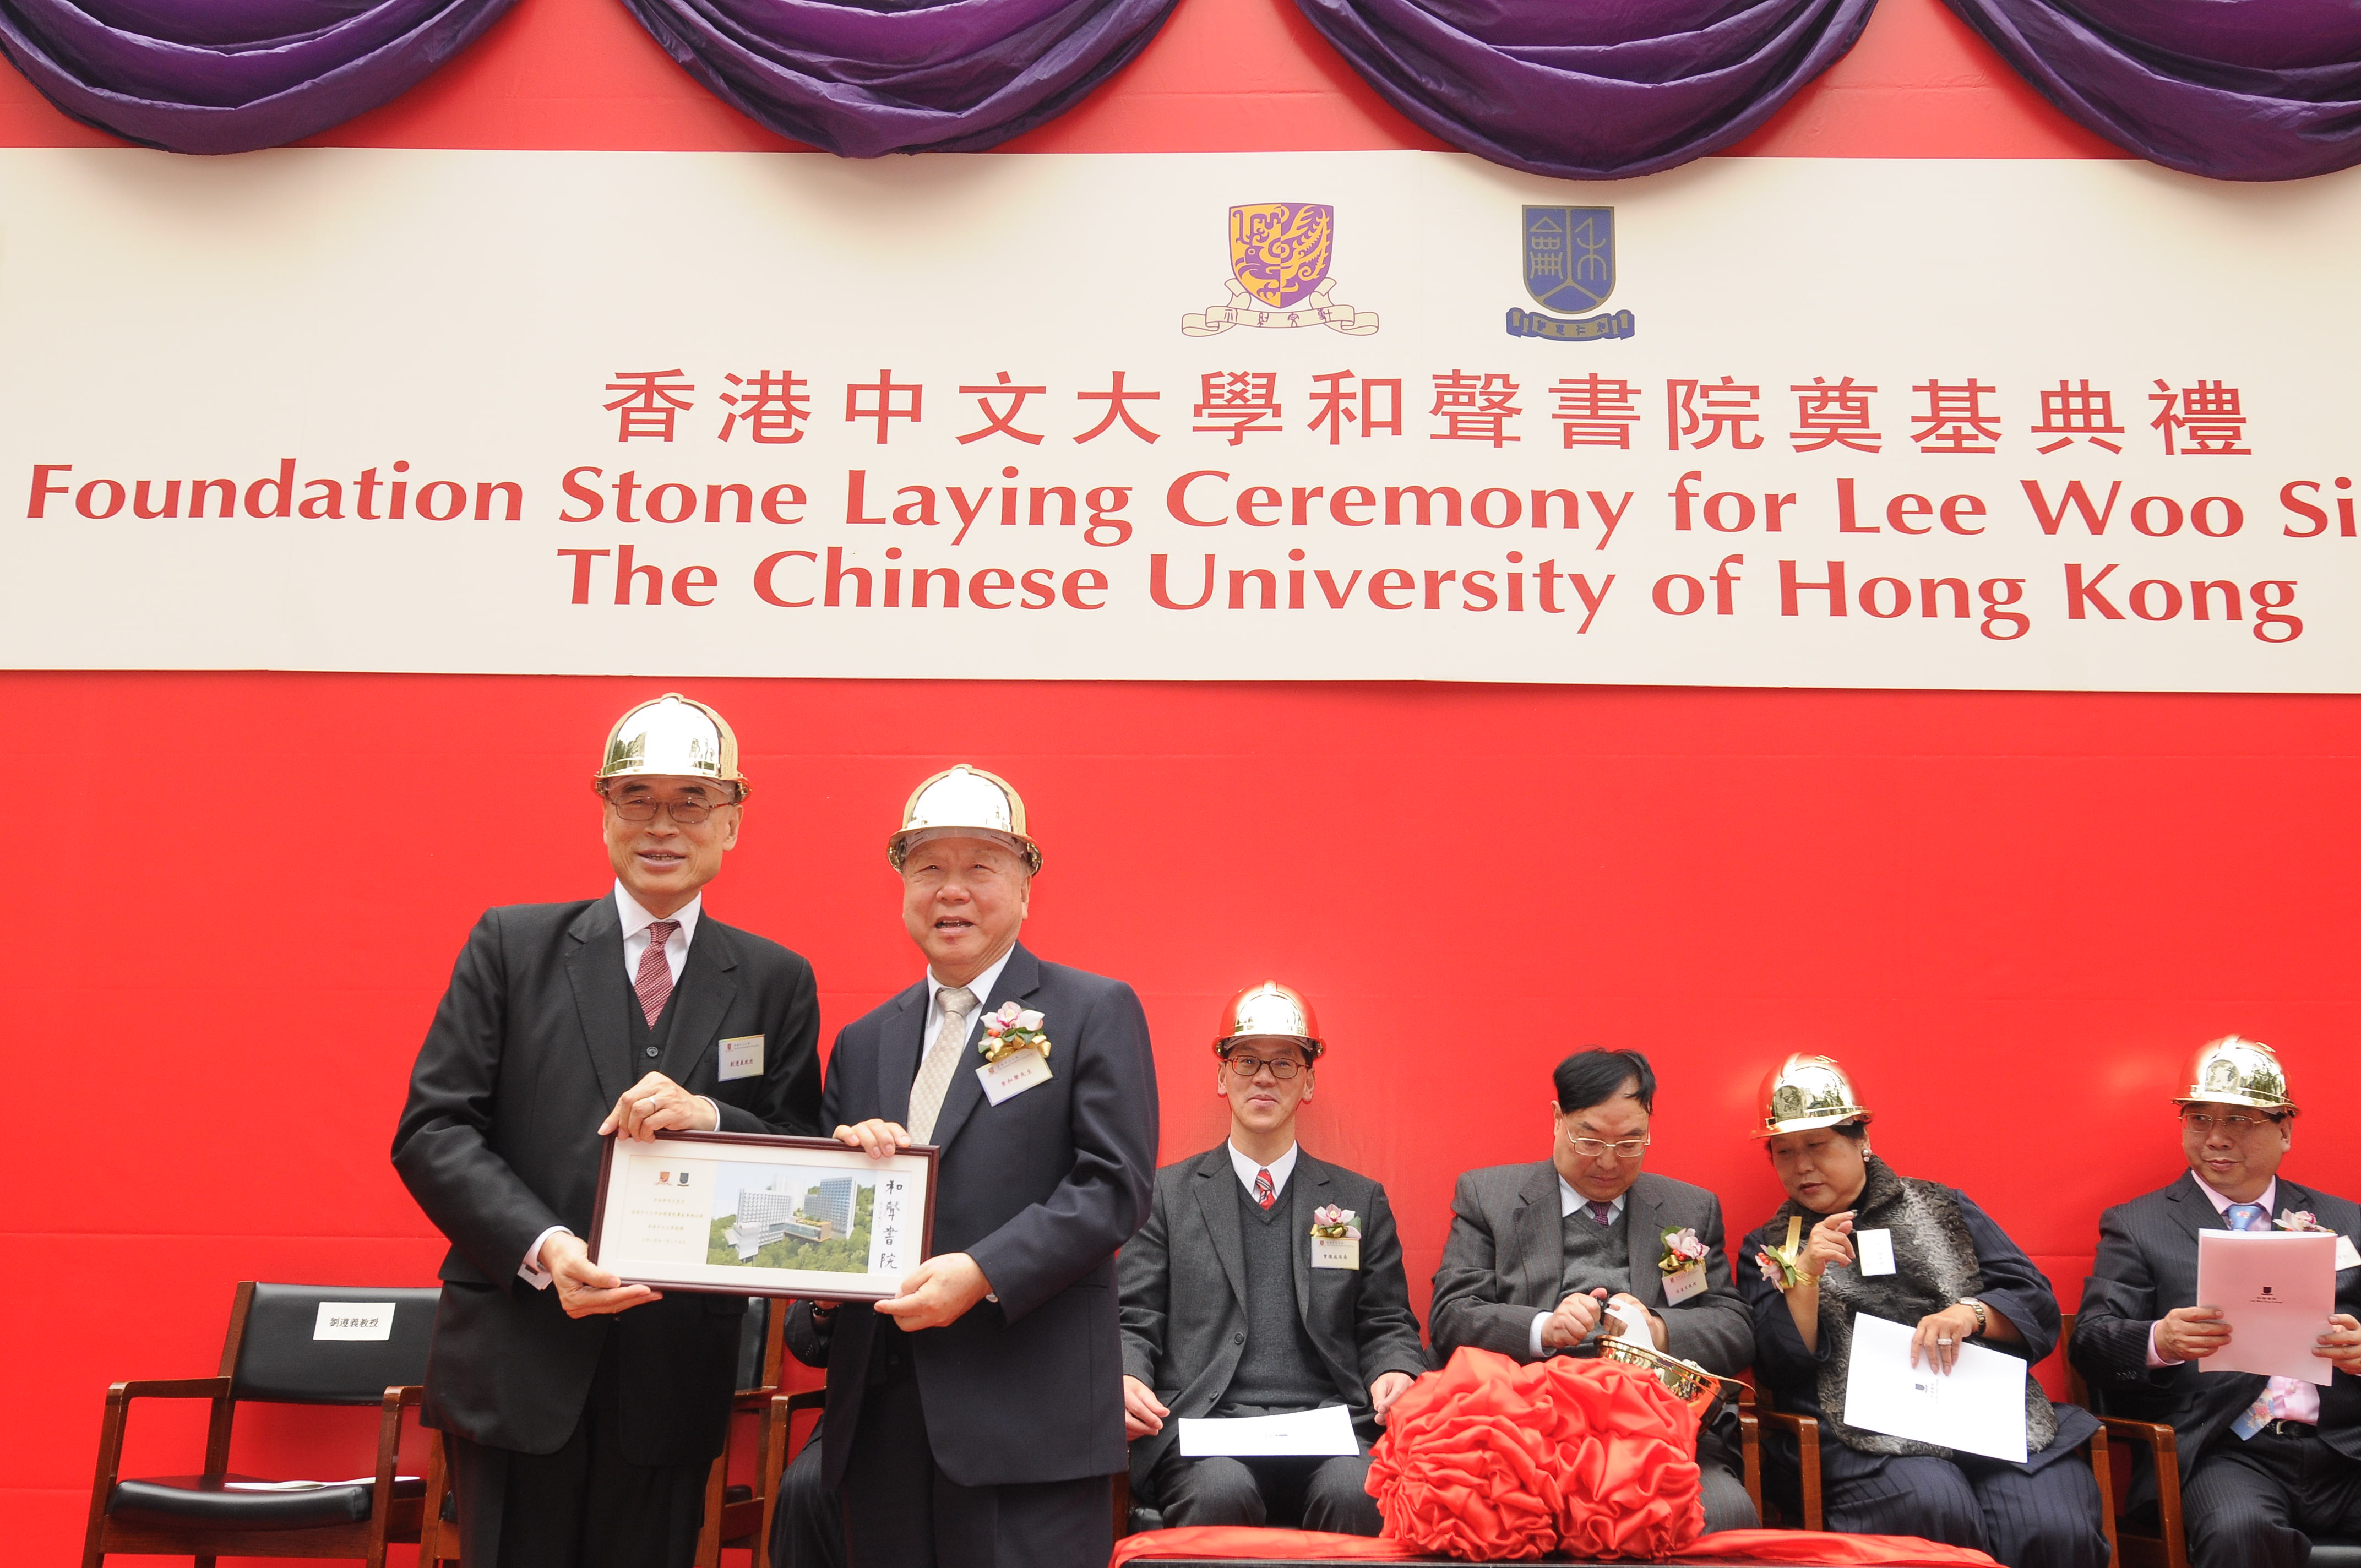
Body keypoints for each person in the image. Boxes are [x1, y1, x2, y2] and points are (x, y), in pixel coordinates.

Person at [391, 693, 822, 1568]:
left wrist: (714, 1118)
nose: (663, 825)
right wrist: (545, 1250)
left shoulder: (776, 979)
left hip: (672, 1375)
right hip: (518, 1359)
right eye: (638, 798)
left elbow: (798, 1160)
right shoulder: (510, 947)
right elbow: (434, 1130)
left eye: (692, 802)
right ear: (604, 813)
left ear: (733, 823)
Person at [784, 764, 1159, 1568]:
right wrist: (822, 1274)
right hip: (880, 1428)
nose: (951, 890)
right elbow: (829, 1220)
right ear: (903, 887)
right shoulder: (862, 1041)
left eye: (980, 867)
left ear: (1026, 887)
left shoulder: (1093, 1010)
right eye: (928, 868)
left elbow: (1113, 1186)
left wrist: (983, 1271)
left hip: (1028, 1425)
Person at [1740, 1053, 2104, 1568]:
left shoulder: (1942, 1205)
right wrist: (1805, 1275)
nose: (1802, 1166)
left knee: (2051, 1524)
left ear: (1861, 1140)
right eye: (1784, 1152)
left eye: (1818, 1145)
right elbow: (1780, 1364)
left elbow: (2035, 1302)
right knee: (1934, 1504)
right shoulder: (1773, 1243)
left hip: (1988, 1417)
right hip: (1862, 1436)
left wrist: (1972, 1314)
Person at [1117, 982, 1428, 1533]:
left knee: (1359, 1493)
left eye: (1284, 1063)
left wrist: (1395, 1370)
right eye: (1247, 1060)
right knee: (1219, 1493)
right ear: (1222, 1076)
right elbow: (1133, 1318)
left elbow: (1386, 1322)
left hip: (1329, 1425)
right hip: (1206, 1427)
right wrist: (1125, 1372)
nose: (1264, 1077)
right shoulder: (1165, 1194)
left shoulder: (1359, 1199)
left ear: (1308, 1081)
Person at [1429, 1047, 1759, 1532]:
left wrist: (1658, 1328)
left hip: (1657, 1427)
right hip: (1525, 1425)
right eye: (1590, 1140)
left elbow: (1735, 1328)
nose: (1609, 1162)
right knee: (1507, 1515)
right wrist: (1545, 1327)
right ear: (1557, 1119)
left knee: (1726, 1512)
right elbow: (1452, 1315)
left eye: (1630, 1143)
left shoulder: (1690, 1208)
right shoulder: (1490, 1198)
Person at [2071, 1036, 2361, 1568]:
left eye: (2240, 1121)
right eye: (2199, 1119)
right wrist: (2161, 1340)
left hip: (2345, 1448)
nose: (2217, 1138)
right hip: (2224, 1450)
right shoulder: (2140, 1226)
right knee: (2239, 1531)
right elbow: (2091, 1343)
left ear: (2286, 1129)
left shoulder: (2348, 1221)